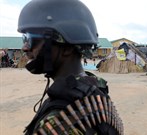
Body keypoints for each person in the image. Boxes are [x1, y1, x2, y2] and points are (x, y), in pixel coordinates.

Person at [18, 0, 123, 134]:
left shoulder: (59, 118)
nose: (25, 47)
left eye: (30, 39)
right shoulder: (92, 88)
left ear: (66, 48)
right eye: (24, 38)